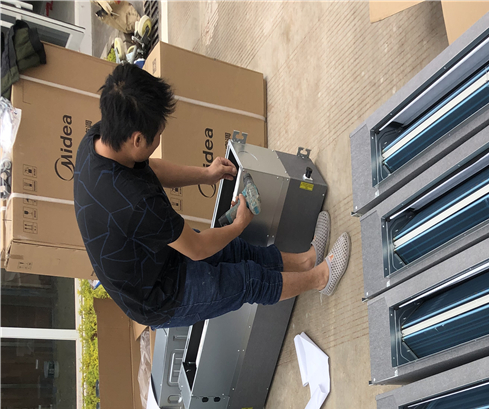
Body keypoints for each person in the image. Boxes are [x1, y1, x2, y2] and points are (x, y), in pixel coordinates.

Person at [73, 63, 349, 328]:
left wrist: (207, 174)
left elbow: (150, 168)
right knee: (247, 282)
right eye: (158, 134)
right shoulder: (136, 203)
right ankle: (321, 278)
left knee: (235, 251)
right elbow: (197, 249)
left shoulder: (98, 140)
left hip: (153, 253)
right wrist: (239, 224)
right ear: (137, 139)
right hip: (159, 295)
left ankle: (307, 261)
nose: (159, 138)